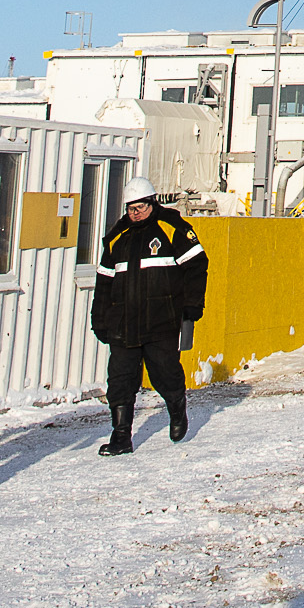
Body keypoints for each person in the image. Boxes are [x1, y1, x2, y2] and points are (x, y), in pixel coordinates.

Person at [89, 177, 208, 454]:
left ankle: (177, 411)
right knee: (120, 381)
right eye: (131, 208)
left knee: (164, 374)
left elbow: (197, 267)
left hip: (160, 321)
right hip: (123, 325)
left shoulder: (171, 228)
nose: (135, 213)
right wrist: (100, 319)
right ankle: (121, 438)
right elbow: (104, 283)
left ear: (152, 203)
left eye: (140, 207)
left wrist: (192, 305)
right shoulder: (116, 237)